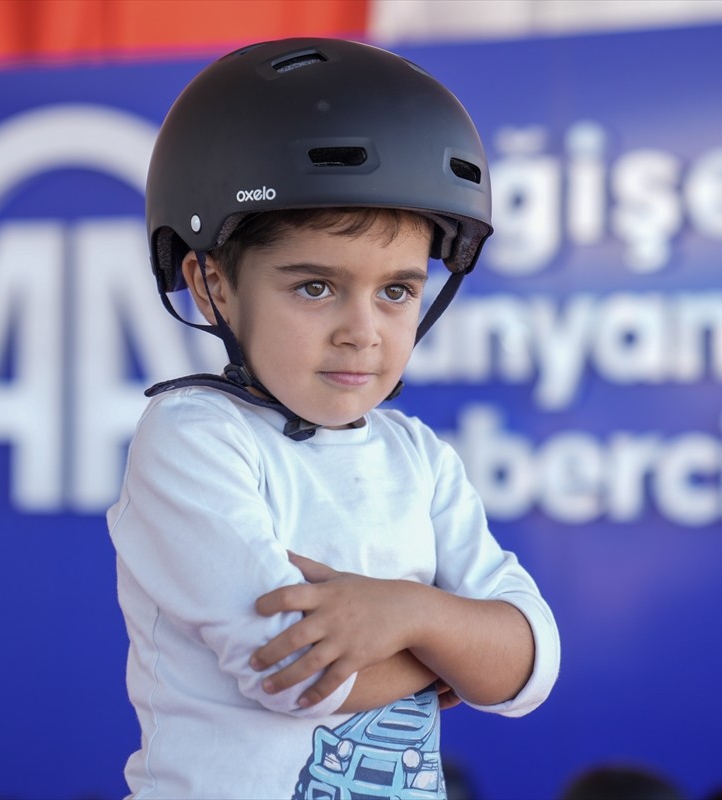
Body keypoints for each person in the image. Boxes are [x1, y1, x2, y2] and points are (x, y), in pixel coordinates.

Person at [108, 37, 561, 799]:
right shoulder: (194, 438)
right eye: (315, 287)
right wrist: (451, 646)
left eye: (397, 291)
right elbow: (294, 674)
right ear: (211, 283)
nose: (365, 330)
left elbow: (530, 665)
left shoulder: (415, 455)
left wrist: (405, 612)